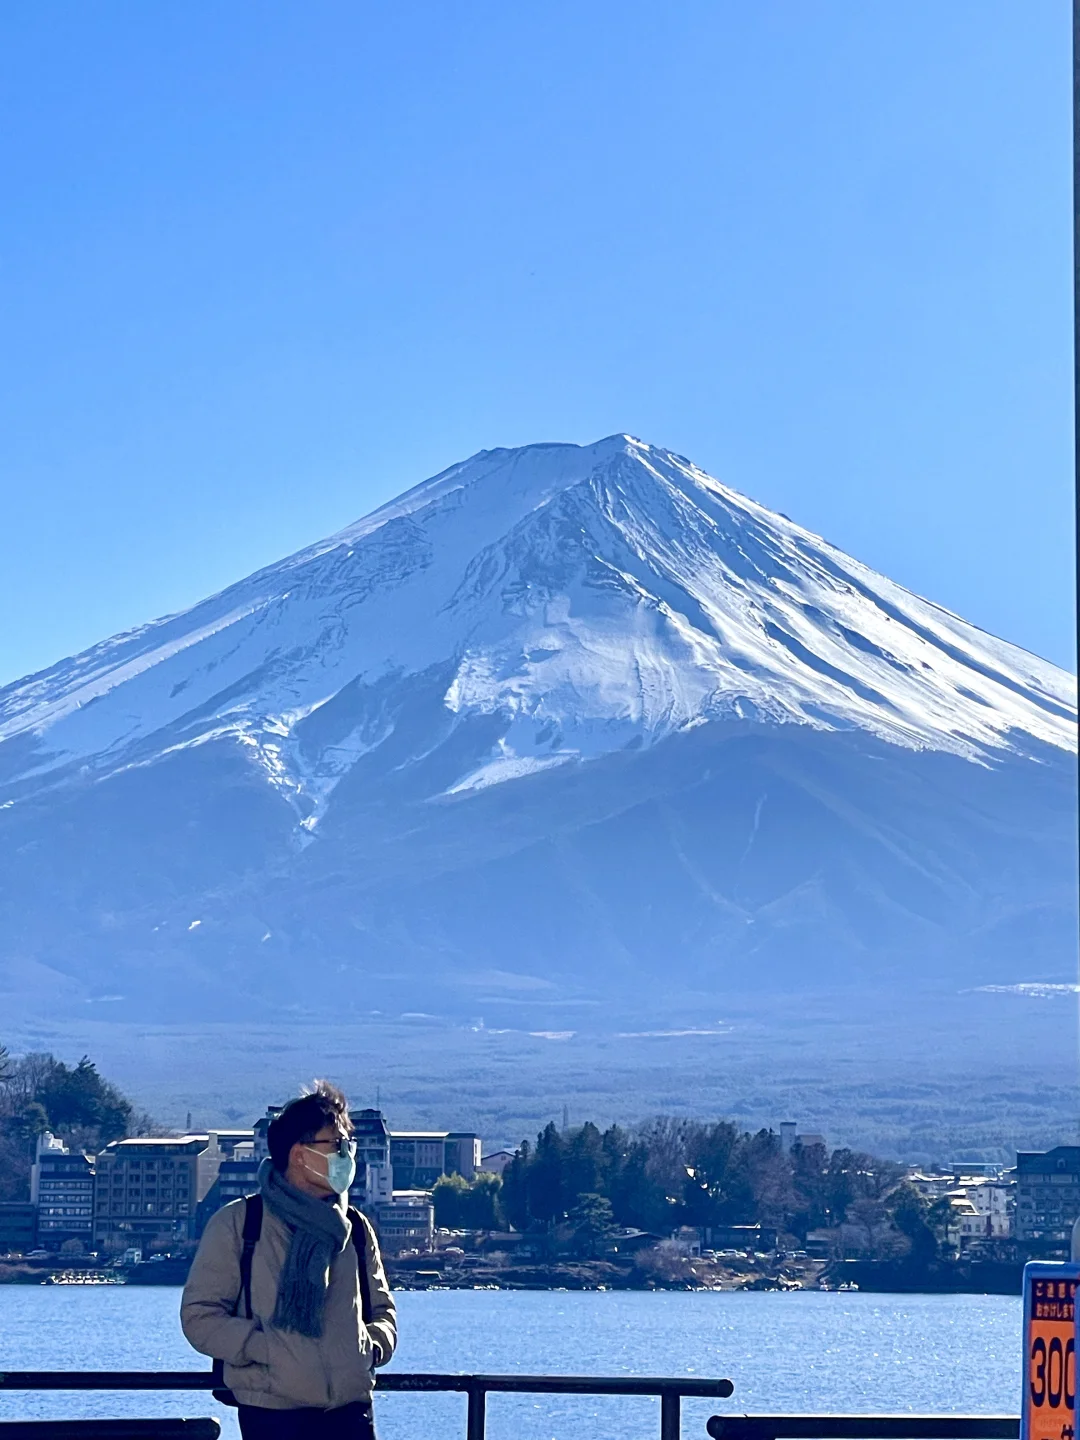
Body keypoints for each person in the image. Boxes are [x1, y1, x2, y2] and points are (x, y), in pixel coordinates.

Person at [181, 1081, 396, 1439]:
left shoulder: (355, 1228)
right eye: (337, 1144)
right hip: (272, 1413)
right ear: (300, 1153)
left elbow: (382, 1310)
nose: (347, 1155)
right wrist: (264, 1349)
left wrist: (367, 1349)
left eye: (348, 1145)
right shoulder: (240, 1223)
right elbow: (200, 1316)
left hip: (350, 1411)